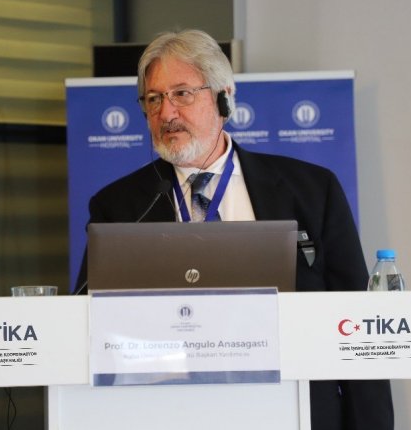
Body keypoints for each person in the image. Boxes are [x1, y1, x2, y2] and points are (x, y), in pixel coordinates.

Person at [76, 29, 393, 430]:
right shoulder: (118, 206)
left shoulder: (312, 190)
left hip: (293, 409)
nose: (166, 113)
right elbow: (91, 318)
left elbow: (359, 320)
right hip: (167, 413)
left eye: (182, 94)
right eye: (153, 99)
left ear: (224, 98)